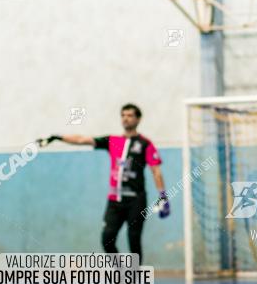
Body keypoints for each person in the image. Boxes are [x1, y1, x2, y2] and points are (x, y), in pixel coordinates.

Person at [38, 103, 169, 263]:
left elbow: (156, 171)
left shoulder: (145, 144)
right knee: (107, 239)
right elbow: (81, 139)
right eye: (123, 115)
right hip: (114, 201)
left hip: (136, 200)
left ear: (138, 119)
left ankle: (132, 282)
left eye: (130, 115)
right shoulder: (111, 141)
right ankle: (120, 272)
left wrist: (163, 196)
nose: (125, 118)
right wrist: (57, 137)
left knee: (133, 240)